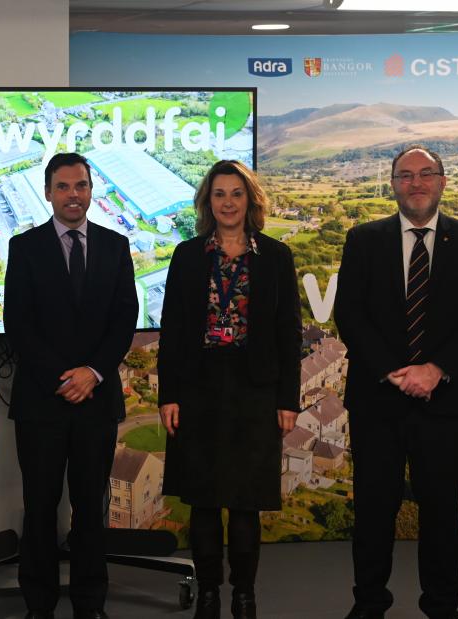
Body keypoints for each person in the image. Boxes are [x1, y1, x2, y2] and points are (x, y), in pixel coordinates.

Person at [333, 145, 458, 619]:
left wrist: (435, 369)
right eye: (406, 175)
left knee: (442, 511)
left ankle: (443, 605)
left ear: (443, 181)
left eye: (426, 174)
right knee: (373, 510)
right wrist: (393, 372)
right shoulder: (363, 239)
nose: (417, 183)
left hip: (447, 403)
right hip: (378, 400)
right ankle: (369, 603)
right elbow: (350, 314)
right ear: (392, 184)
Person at [157, 159, 302, 619]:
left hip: (255, 392)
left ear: (250, 200)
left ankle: (244, 594)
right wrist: (169, 395)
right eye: (219, 194)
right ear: (208, 202)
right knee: (202, 501)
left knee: (245, 503)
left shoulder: (276, 257)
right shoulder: (187, 255)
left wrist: (286, 399)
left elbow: (288, 332)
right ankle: (208, 593)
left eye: (236, 193)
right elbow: (174, 330)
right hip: (199, 391)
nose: (228, 202)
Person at [3, 152, 138, 619]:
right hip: (42, 403)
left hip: (96, 401)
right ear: (48, 192)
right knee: (39, 509)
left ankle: (89, 604)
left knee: (90, 509)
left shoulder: (116, 246)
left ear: (90, 190)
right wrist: (62, 378)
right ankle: (38, 605)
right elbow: (18, 324)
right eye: (63, 187)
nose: (73, 195)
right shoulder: (24, 247)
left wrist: (92, 373)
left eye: (80, 185)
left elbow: (125, 320)